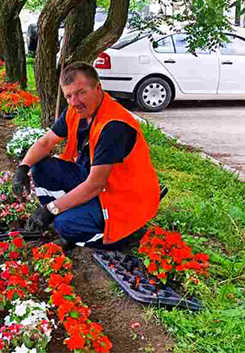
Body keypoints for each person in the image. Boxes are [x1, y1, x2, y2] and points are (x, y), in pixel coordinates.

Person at [12, 62, 161, 250]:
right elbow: (46, 142)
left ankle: (124, 238)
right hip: (97, 182)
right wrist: (22, 168)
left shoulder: (113, 126)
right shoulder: (76, 111)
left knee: (64, 225)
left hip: (124, 197)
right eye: (68, 96)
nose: (74, 102)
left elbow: (95, 185)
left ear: (98, 88)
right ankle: (76, 220)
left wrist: (51, 209)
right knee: (40, 167)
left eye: (81, 92)